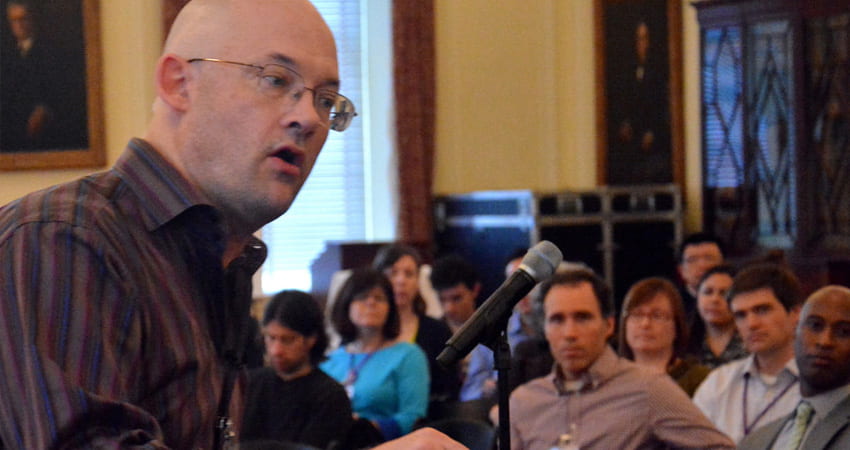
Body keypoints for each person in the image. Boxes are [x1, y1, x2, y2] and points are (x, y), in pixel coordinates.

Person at [0, 1, 463, 448]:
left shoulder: (222, 263)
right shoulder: (62, 240)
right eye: (275, 79)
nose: (307, 118)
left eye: (325, 100)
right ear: (179, 83)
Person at [508, 268, 734, 449]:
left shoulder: (647, 388)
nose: (569, 333)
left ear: (609, 325)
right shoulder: (526, 402)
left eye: (583, 318)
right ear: (545, 329)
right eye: (557, 320)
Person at [693, 263, 804, 443]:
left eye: (762, 310)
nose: (751, 324)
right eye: (741, 315)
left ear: (795, 313)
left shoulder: (821, 383)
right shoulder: (718, 383)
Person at [321, 268, 429, 442]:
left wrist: (362, 427)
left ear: (390, 308)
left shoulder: (408, 355)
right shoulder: (329, 361)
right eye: (362, 297)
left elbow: (413, 418)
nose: (371, 303)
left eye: (379, 298)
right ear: (346, 304)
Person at [739, 285, 850, 450]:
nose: (824, 341)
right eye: (815, 326)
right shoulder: (756, 441)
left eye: (844, 332)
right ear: (795, 331)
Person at [241, 290, 352, 449]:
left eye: (288, 339)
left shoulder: (331, 396)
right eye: (271, 338)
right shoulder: (249, 384)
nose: (276, 350)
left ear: (311, 339)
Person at [372, 244, 460, 405]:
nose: (401, 281)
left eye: (409, 274)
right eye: (393, 273)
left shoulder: (437, 331)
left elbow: (449, 390)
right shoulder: (368, 331)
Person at [1, 0, 87, 151]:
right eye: (14, 20)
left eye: (23, 19)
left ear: (32, 19)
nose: (19, 25)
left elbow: (63, 91)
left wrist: (45, 109)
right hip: (12, 132)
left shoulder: (51, 52)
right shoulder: (7, 55)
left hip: (45, 132)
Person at [618, 277, 710, 396]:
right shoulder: (611, 381)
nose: (645, 324)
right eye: (637, 315)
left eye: (657, 316)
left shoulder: (701, 380)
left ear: (676, 326)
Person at [687, 265, 749, 368]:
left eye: (724, 293)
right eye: (708, 292)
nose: (715, 299)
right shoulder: (683, 344)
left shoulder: (750, 342)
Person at [676, 232, 725, 323]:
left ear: (723, 264)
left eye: (709, 258)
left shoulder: (737, 300)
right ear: (681, 271)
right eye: (692, 260)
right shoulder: (672, 305)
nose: (702, 265)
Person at [429, 253, 481, 334]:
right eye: (442, 299)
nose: (449, 309)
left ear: (475, 290)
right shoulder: (431, 334)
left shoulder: (493, 327)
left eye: (457, 298)